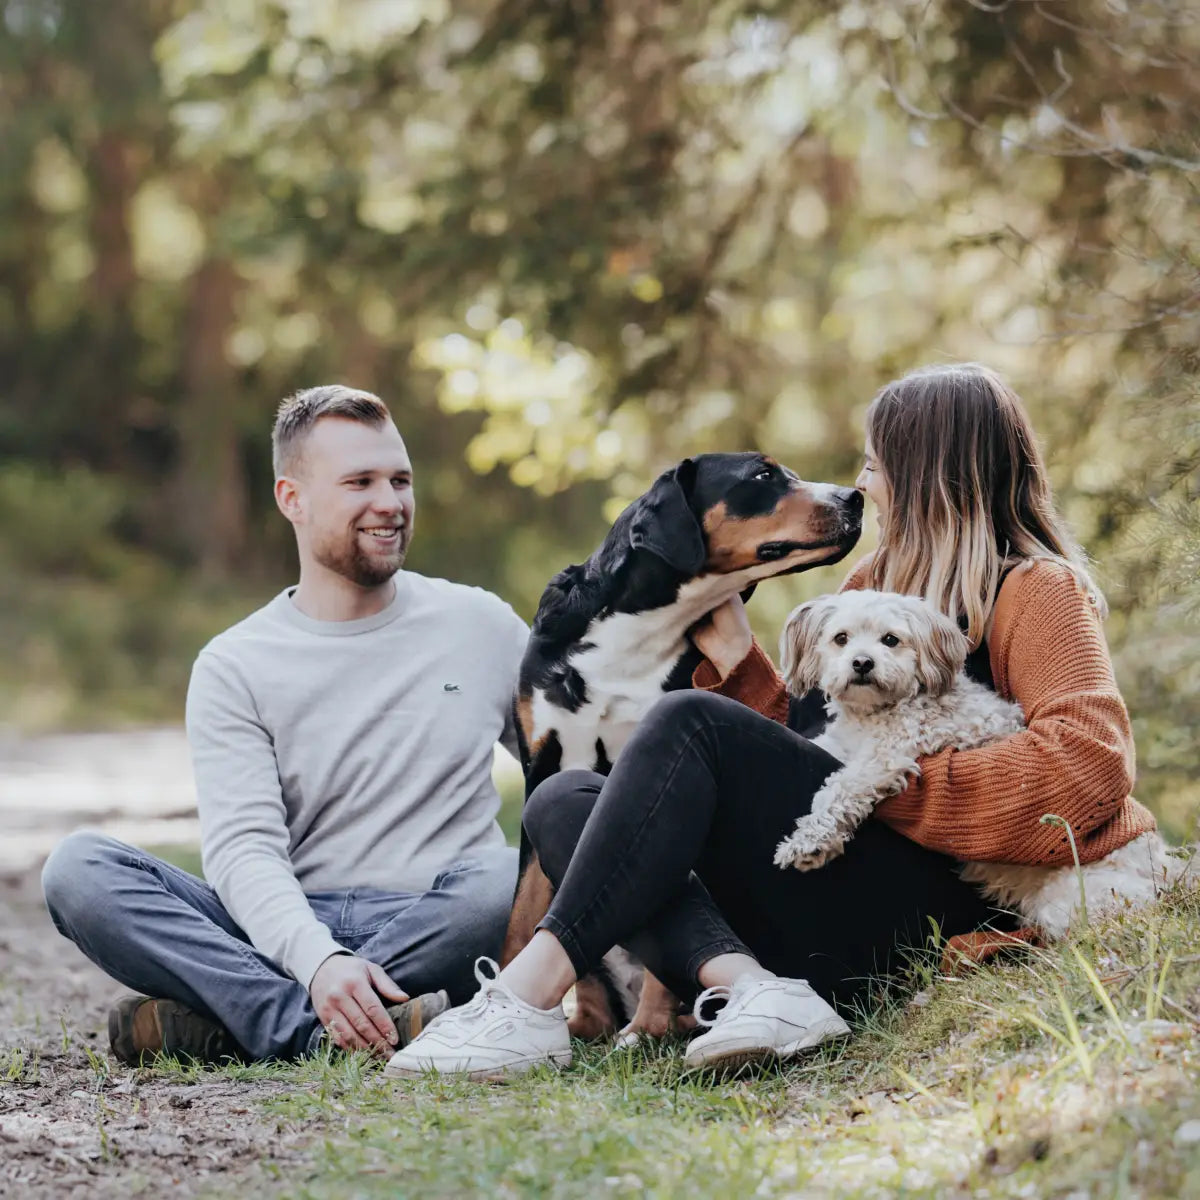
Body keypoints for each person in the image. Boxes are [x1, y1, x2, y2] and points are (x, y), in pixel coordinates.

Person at [384, 361, 1158, 1079]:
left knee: (686, 719)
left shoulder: (1038, 591)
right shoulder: (870, 585)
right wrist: (744, 669)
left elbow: (1085, 771)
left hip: (939, 913)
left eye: (875, 464)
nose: (864, 485)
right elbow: (806, 756)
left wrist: (879, 782)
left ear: (929, 475)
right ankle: (756, 990)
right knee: (560, 801)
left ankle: (523, 1000)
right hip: (837, 884)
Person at [42, 385, 528, 1065]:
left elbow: (569, 771)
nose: (389, 502)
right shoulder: (236, 664)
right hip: (282, 924)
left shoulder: (481, 626)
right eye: (360, 481)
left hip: (437, 916)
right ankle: (321, 1026)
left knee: (504, 877)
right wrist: (317, 958)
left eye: (399, 480)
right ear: (291, 499)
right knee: (79, 871)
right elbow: (244, 853)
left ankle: (243, 1021)